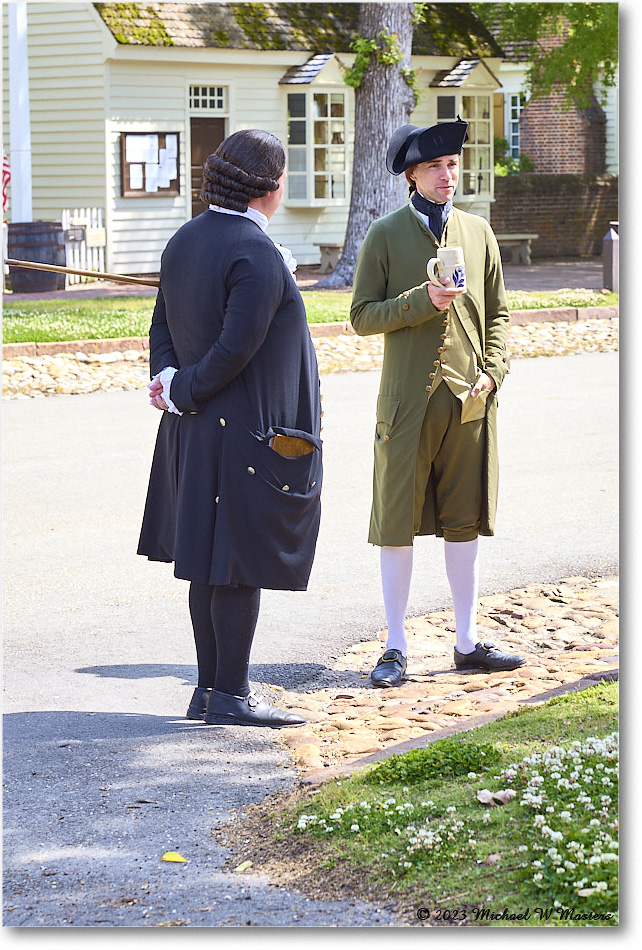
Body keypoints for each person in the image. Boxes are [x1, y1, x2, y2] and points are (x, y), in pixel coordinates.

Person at [137, 129, 322, 726]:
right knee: (236, 562)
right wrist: (181, 388)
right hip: (242, 433)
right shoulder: (254, 253)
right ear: (271, 187)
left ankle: (211, 692)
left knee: (209, 559)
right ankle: (231, 695)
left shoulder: (185, 239)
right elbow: (234, 350)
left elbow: (161, 326)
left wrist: (168, 382)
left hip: (197, 429)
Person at [350, 119, 525, 688]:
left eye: (453, 165)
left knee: (464, 522)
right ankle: (395, 645)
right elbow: (360, 317)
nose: (448, 175)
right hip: (406, 406)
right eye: (435, 167)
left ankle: (467, 640)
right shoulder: (384, 234)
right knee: (396, 523)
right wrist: (419, 301)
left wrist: (493, 374)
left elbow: (498, 314)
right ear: (411, 175)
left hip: (469, 403)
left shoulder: (480, 232)